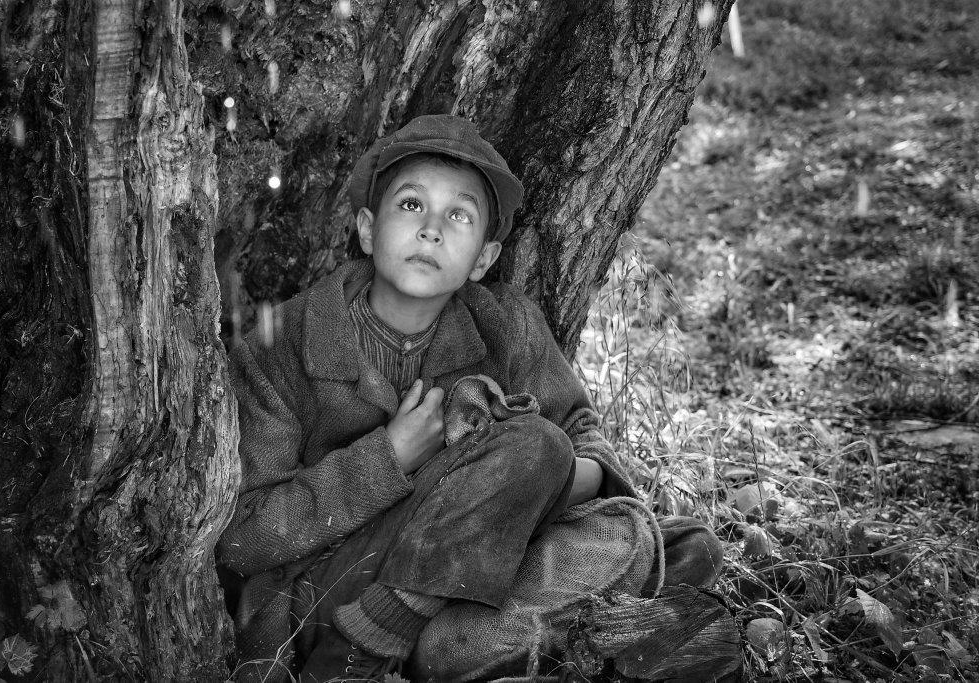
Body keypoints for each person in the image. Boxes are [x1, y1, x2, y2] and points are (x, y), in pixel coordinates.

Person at [216, 114, 724, 682]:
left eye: (458, 216)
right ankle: (369, 650)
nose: (431, 230)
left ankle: (429, 646)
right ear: (367, 230)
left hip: (470, 574)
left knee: (685, 544)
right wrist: (389, 458)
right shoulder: (284, 341)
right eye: (411, 205)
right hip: (334, 589)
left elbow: (587, 447)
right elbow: (243, 538)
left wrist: (514, 482)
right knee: (543, 454)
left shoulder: (505, 323)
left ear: (483, 258)